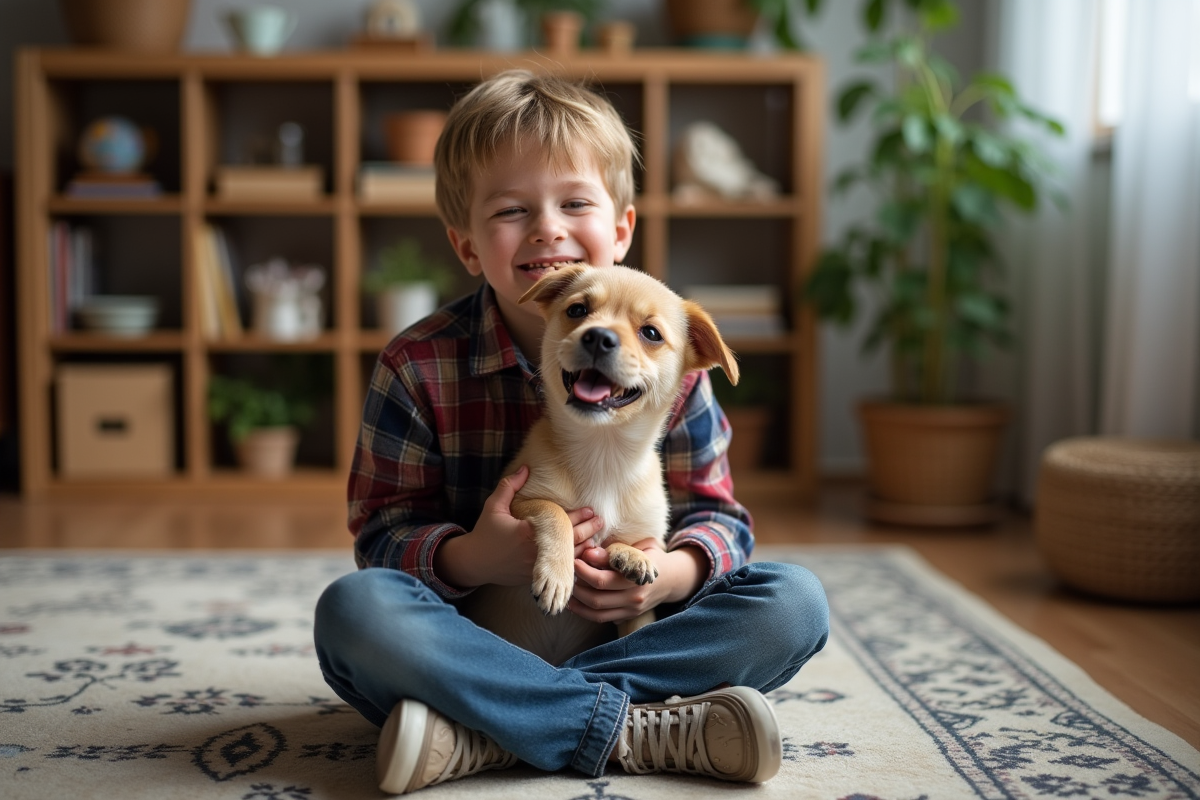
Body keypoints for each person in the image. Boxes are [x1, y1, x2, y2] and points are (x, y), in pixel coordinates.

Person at [314, 69, 830, 796]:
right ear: (466, 247)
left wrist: (667, 579)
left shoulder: (673, 358)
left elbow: (719, 518)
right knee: (353, 613)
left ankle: (482, 733)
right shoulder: (416, 363)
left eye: (575, 203)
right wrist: (473, 559)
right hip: (473, 633)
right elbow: (380, 535)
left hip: (599, 639)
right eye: (511, 210)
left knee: (796, 602)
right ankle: (642, 730)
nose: (548, 229)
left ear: (621, 229)